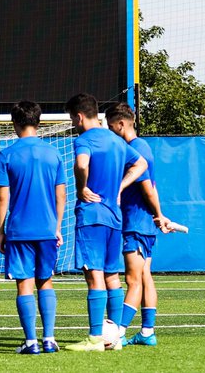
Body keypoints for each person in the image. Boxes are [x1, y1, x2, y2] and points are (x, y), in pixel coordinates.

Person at [63, 93, 147, 353]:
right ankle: (115, 337)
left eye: (72, 119)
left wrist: (81, 188)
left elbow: (81, 163)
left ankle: (95, 338)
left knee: (94, 276)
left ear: (79, 116)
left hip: (92, 216)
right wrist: (119, 186)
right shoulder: (116, 141)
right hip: (114, 217)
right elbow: (141, 163)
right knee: (112, 276)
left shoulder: (85, 139)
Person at [0, 100, 67, 355]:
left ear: (15, 123)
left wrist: (0, 230)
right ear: (39, 122)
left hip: (19, 230)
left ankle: (31, 342)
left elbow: (3, 197)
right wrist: (57, 227)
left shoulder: (8, 154)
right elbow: (62, 196)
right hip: (47, 229)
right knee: (45, 282)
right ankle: (49, 339)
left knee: (24, 284)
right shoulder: (54, 153)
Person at [105, 102, 171, 347]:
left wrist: (158, 213)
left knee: (133, 280)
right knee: (144, 276)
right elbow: (152, 187)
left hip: (136, 223)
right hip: (144, 223)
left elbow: (147, 187)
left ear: (121, 125)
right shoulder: (141, 146)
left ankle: (118, 333)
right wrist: (159, 215)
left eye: (111, 127)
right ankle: (146, 333)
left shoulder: (135, 149)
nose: (110, 131)